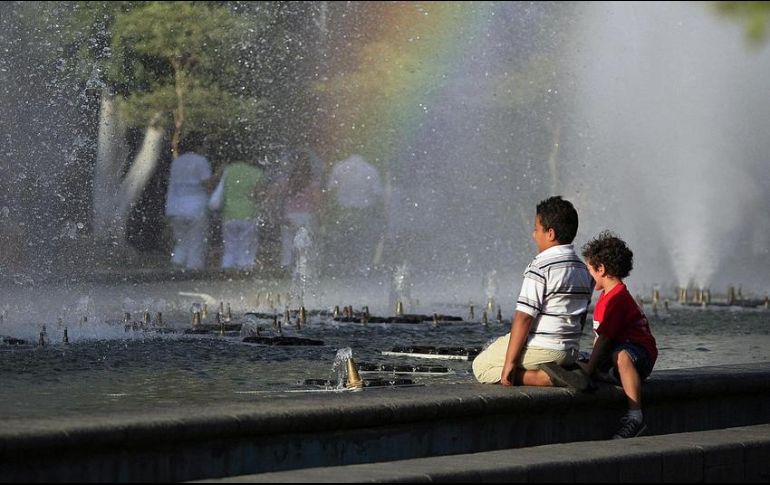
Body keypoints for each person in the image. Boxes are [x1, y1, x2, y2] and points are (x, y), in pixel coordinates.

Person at [472, 196, 593, 388]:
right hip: (570, 351)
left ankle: (542, 378)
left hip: (544, 349)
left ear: (550, 233)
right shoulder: (584, 269)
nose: (533, 235)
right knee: (503, 348)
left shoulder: (540, 266)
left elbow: (524, 317)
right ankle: (567, 369)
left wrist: (510, 363)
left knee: (481, 365)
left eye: (536, 229)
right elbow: (581, 316)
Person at [578, 231, 658, 439]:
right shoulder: (606, 297)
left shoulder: (617, 299)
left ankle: (635, 417)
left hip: (639, 355)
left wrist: (589, 369)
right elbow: (601, 338)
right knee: (581, 357)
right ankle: (609, 374)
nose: (589, 276)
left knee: (620, 356)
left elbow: (604, 339)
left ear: (601, 269)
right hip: (619, 351)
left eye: (590, 270)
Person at [325, 154, 385, 274]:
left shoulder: (339, 167)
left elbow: (330, 188)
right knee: (362, 239)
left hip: (343, 210)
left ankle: (344, 266)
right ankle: (362, 266)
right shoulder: (370, 169)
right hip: (363, 210)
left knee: (345, 239)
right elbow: (377, 192)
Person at [165, 139, 212, 270]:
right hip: (196, 207)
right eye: (205, 144)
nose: (206, 148)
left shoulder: (177, 162)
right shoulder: (200, 161)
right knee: (196, 241)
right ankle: (193, 270)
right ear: (198, 146)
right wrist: (219, 174)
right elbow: (207, 183)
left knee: (182, 241)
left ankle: (177, 265)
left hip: (175, 207)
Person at [209, 160, 264, 270]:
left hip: (229, 214)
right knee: (245, 247)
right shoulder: (256, 172)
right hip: (248, 213)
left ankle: (226, 270)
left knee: (229, 247)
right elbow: (258, 195)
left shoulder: (228, 170)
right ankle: (243, 271)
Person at [279, 150, 323, 269]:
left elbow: (280, 197)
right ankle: (303, 268)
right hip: (306, 216)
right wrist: (319, 215)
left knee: (287, 244)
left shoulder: (286, 182)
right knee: (304, 245)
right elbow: (317, 201)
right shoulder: (313, 183)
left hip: (289, 215)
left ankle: (286, 266)